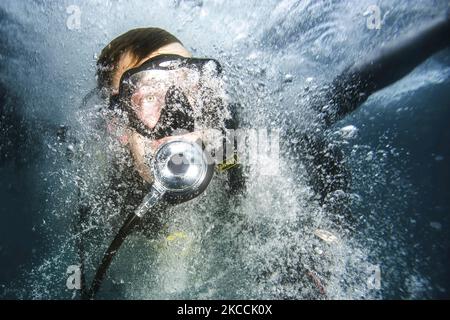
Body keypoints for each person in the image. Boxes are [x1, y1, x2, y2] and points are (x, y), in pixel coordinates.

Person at [78, 15, 450, 298]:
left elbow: (318, 152)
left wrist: (324, 240)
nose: (180, 113)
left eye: (191, 85)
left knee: (330, 102)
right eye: (150, 93)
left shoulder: (234, 145)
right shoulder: (99, 189)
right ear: (117, 125)